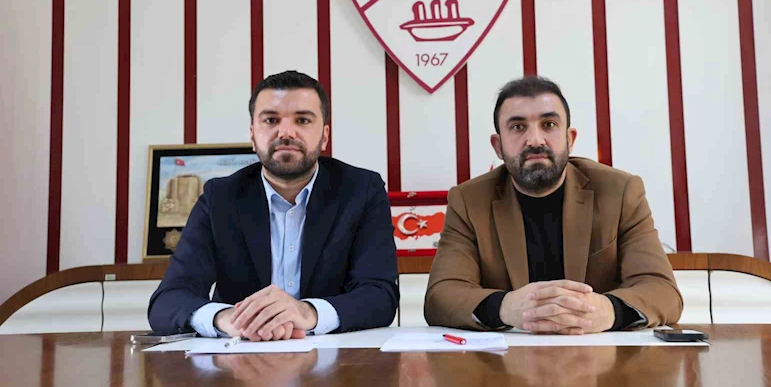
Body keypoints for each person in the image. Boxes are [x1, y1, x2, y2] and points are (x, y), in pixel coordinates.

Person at [149, 71, 399, 339]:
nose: (286, 132)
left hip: (337, 358)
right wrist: (228, 319)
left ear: (325, 136)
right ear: (252, 135)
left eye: (303, 120)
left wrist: (308, 313)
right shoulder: (219, 198)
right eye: (271, 120)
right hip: (241, 356)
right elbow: (168, 300)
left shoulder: (362, 190)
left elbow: (380, 295)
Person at [424, 75, 682, 333]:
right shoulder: (468, 201)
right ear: (498, 146)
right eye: (518, 127)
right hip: (508, 353)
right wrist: (506, 307)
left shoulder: (620, 192)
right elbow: (441, 296)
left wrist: (607, 310)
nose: (535, 140)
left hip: (598, 349)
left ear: (570, 139)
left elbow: (663, 291)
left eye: (548, 124)